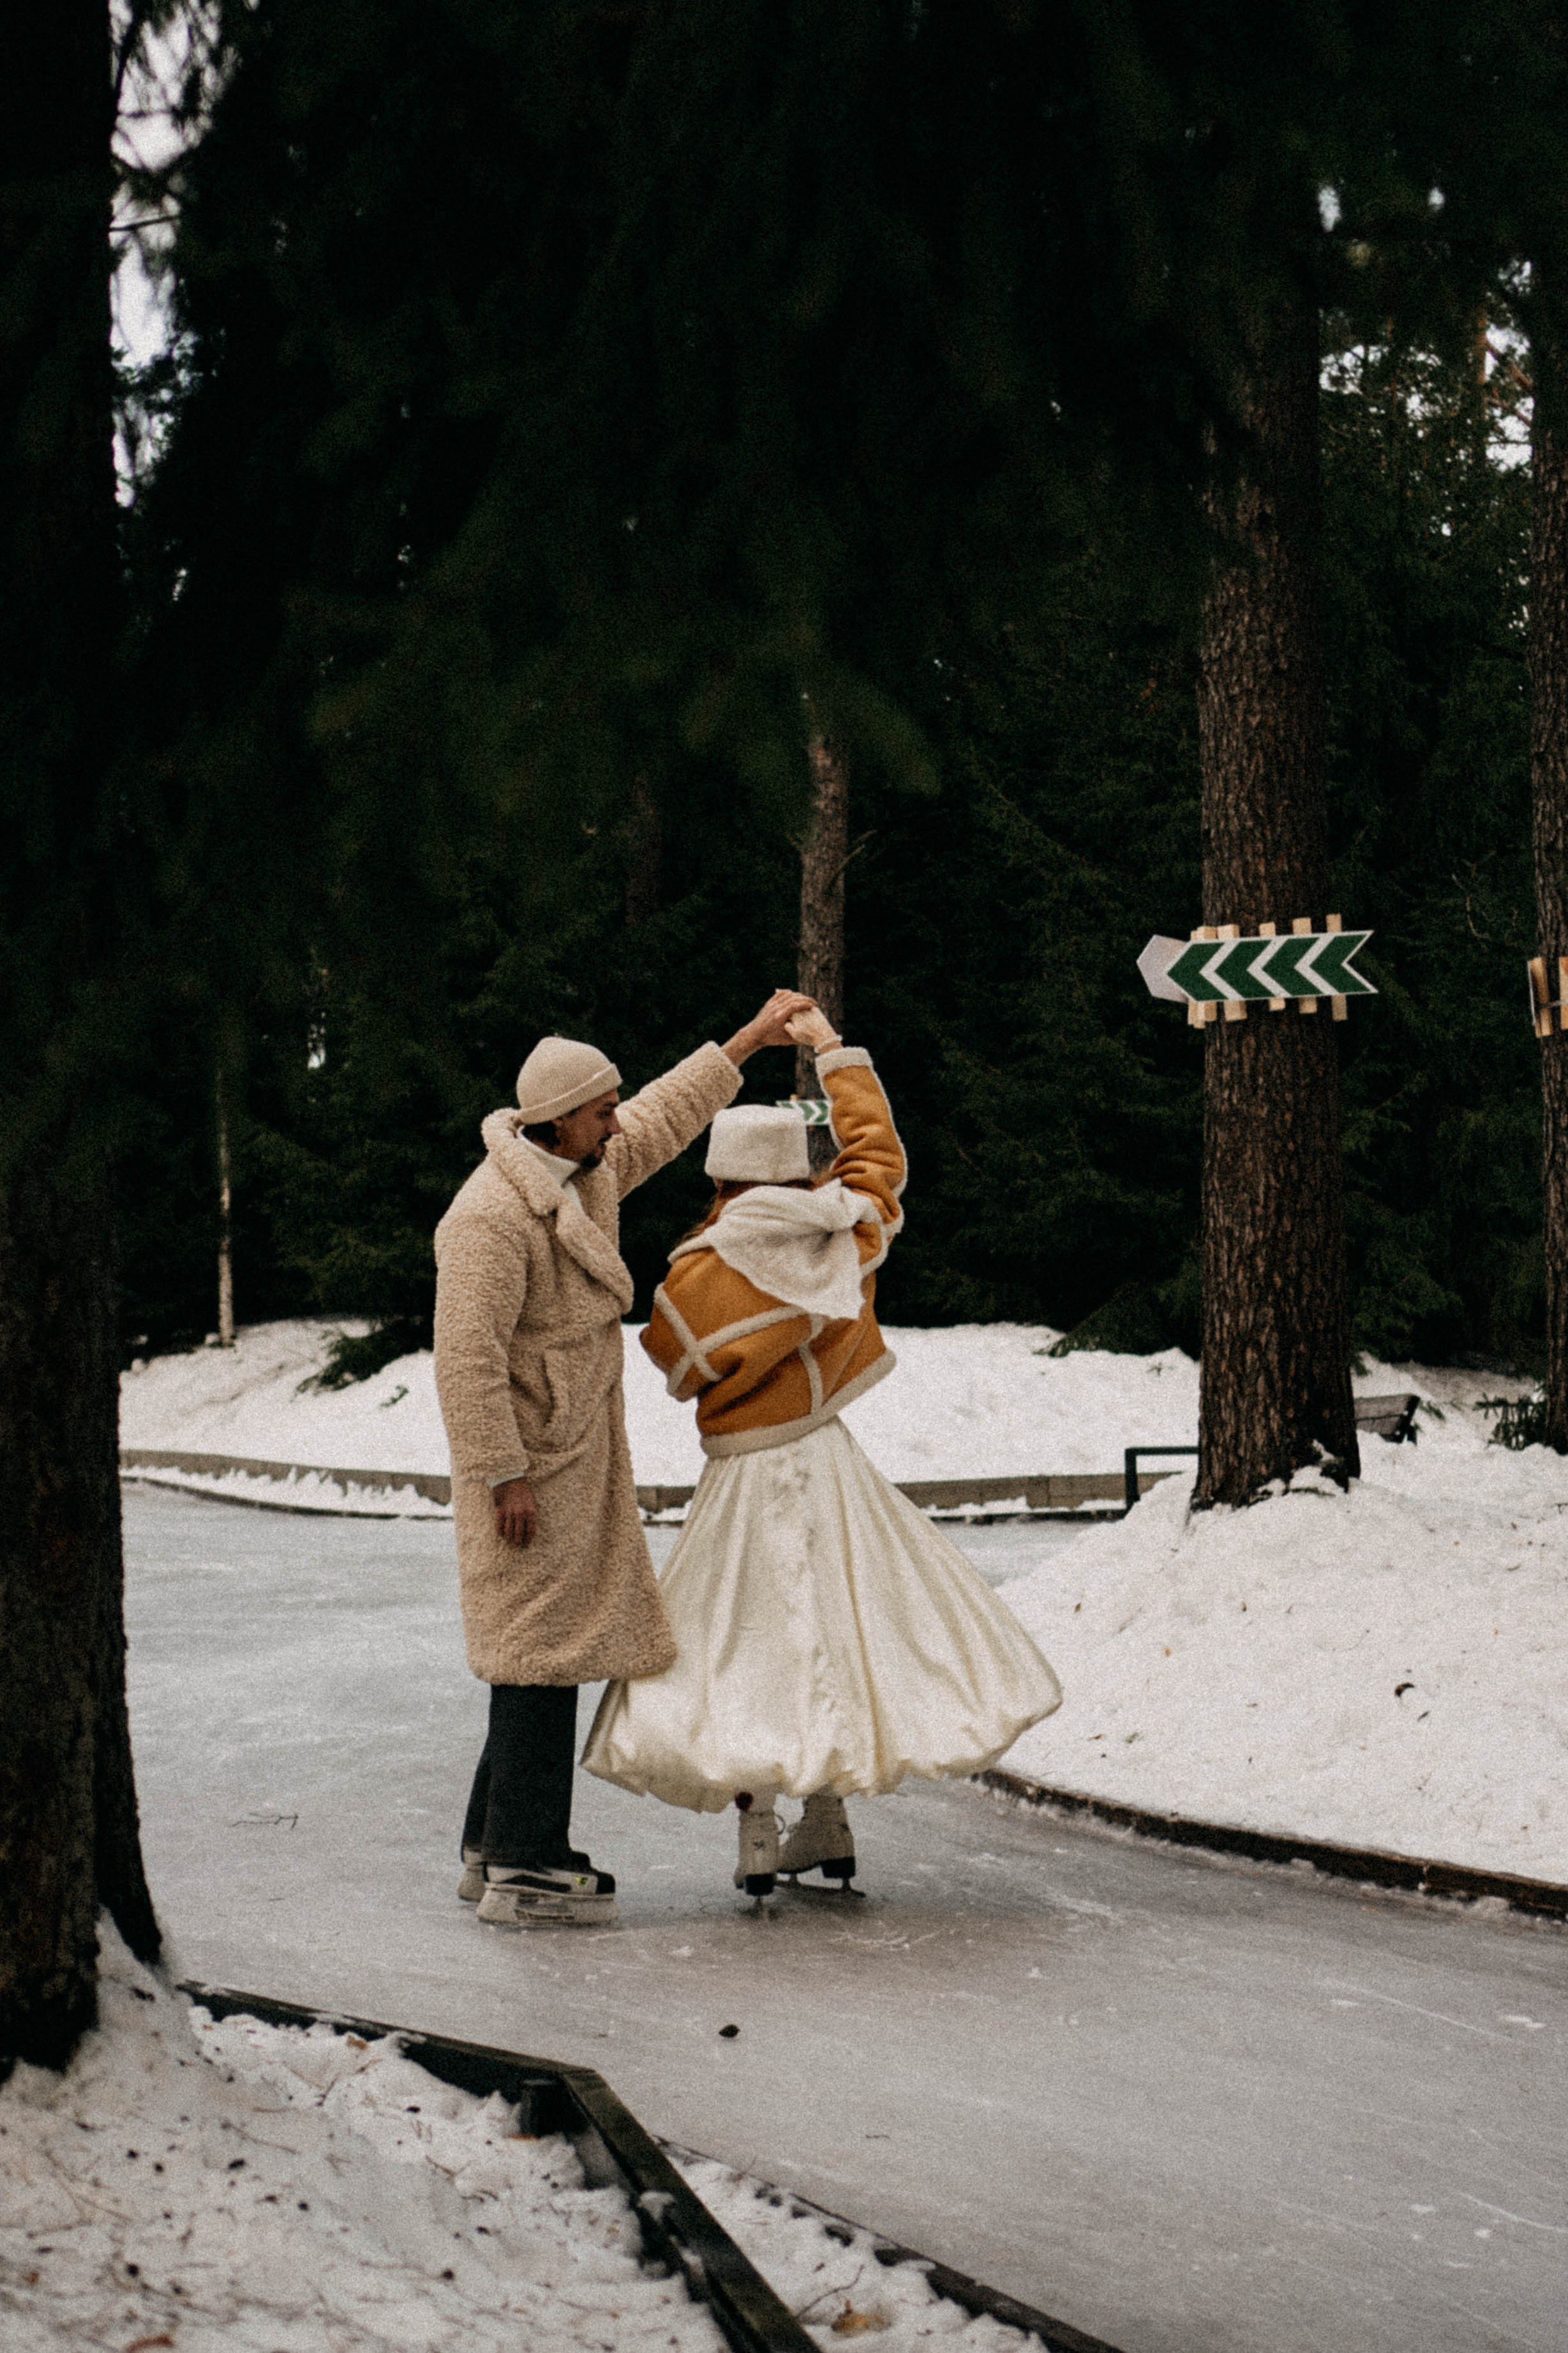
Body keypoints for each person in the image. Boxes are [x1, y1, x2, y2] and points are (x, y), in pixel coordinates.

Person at [582, 1007, 1062, 1895]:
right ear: (793, 1165)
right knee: (849, 1632)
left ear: (722, 1168)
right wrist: (834, 1052)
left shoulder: (693, 1271)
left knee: (740, 1647)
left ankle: (759, 1828)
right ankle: (829, 1820)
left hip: (742, 1472)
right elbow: (879, 1162)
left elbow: (676, 1363)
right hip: (829, 1462)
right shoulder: (842, 1231)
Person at [434, 989, 817, 1928]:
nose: (615, 1121)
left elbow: (664, 1114)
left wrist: (746, 1042)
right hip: (528, 1468)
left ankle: (495, 1845)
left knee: (541, 1645)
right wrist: (501, 1473)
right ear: (560, 1118)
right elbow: (465, 1358)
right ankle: (525, 1860)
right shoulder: (490, 1216)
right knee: (536, 1652)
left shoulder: (581, 1170)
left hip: (570, 1453)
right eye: (600, 1109)